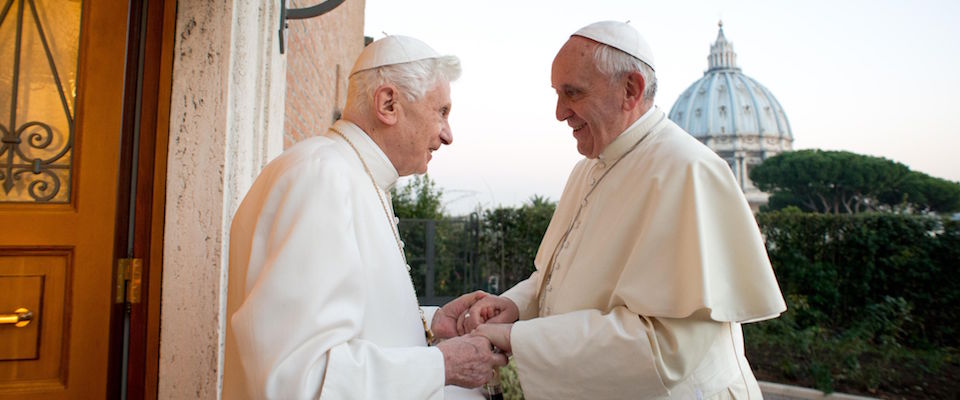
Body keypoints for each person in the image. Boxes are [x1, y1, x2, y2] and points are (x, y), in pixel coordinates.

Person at [452, 21, 787, 399]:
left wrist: (519, 339)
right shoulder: (588, 169)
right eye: (558, 94)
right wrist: (513, 306)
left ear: (630, 89)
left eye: (572, 93)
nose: (560, 112)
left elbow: (664, 347)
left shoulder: (687, 170)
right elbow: (555, 280)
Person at [222, 35, 507, 400]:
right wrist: (442, 365)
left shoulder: (351, 175)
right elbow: (299, 378)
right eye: (442, 112)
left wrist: (429, 324)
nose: (448, 135)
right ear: (388, 103)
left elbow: (351, 322)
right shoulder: (323, 177)